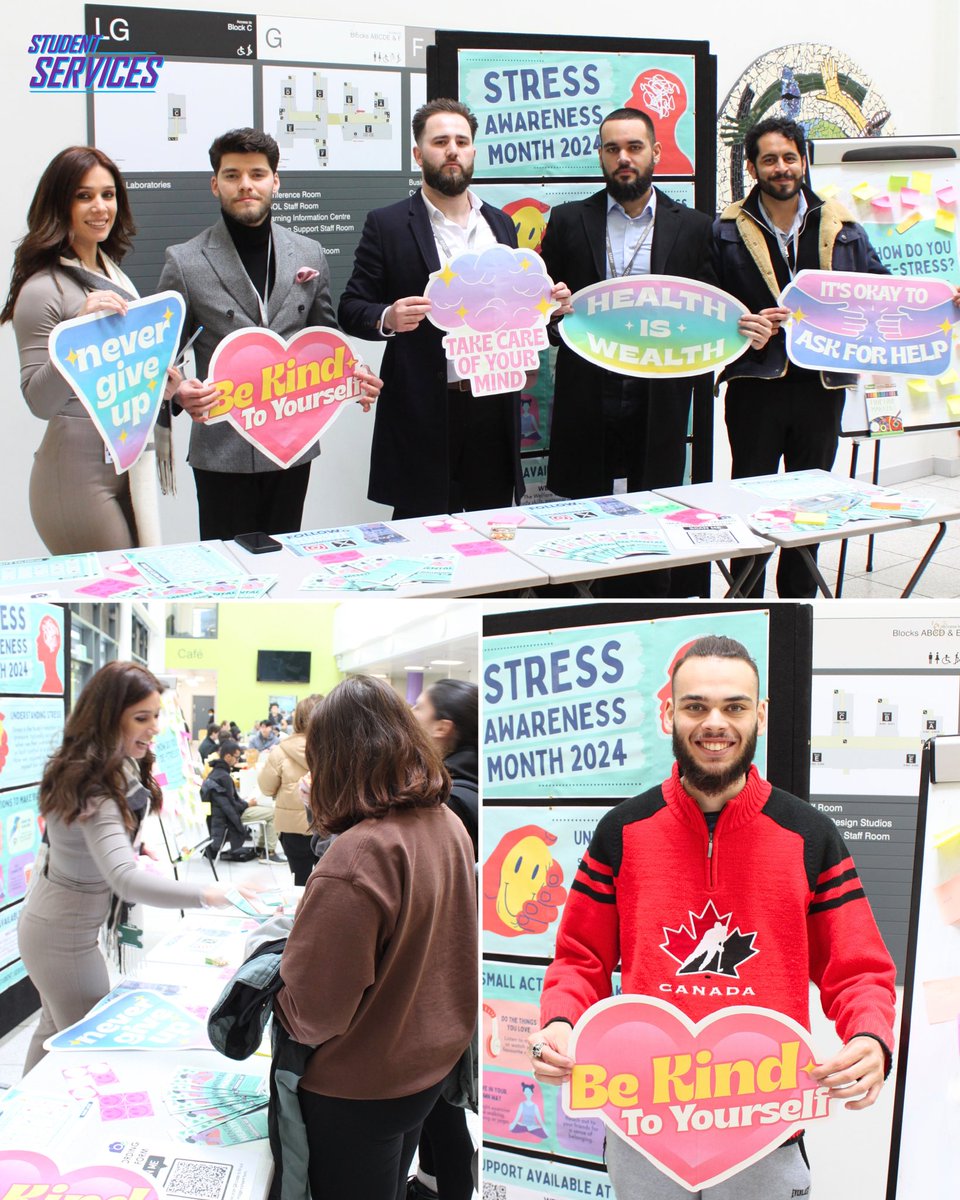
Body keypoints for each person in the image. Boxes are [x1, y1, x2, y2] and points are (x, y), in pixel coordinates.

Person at [527, 635, 896, 1200]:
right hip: (643, 1121)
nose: (715, 723)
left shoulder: (809, 835)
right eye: (696, 706)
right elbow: (581, 959)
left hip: (766, 1123)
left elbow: (859, 970)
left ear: (761, 715)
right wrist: (560, 1021)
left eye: (734, 707)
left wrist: (870, 1036)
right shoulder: (621, 832)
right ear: (669, 711)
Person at [274, 675, 477, 1200]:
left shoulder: (360, 856)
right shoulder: (444, 822)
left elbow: (317, 1010)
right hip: (426, 1066)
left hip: (359, 1085)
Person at [17, 662, 258, 1072]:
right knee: (85, 1057)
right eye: (141, 718)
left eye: (156, 716)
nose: (154, 728)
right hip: (64, 941)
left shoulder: (92, 768)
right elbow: (124, 880)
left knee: (52, 1033)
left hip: (51, 928)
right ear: (109, 718)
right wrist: (208, 894)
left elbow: (84, 841)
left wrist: (131, 843)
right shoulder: (98, 785)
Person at [338, 98, 570, 518]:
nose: (452, 150)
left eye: (462, 141)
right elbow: (351, 306)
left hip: (493, 404)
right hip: (425, 407)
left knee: (493, 529)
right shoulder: (387, 223)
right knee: (421, 532)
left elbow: (513, 306)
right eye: (440, 141)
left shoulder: (500, 223)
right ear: (418, 153)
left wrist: (546, 309)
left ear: (473, 151)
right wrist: (387, 317)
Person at [157, 127, 381, 541]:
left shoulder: (309, 252)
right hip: (221, 449)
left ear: (275, 181)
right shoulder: (185, 261)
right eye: (232, 175)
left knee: (285, 561)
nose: (246, 185)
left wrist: (355, 374)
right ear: (215, 183)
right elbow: (159, 360)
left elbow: (324, 338)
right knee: (228, 572)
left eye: (257, 174)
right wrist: (178, 392)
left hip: (292, 445)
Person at [542, 109, 771, 505]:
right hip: (586, 393)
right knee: (584, 509)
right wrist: (551, 313)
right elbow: (545, 316)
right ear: (600, 155)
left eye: (634, 147)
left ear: (656, 152)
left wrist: (744, 329)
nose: (623, 158)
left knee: (656, 509)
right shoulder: (566, 221)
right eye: (612, 149)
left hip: (661, 393)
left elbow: (711, 308)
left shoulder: (697, 227)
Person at [713, 117, 888, 598]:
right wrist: (740, 323)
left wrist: (941, 303)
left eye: (790, 157)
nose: (781, 168)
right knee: (751, 502)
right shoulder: (725, 229)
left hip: (822, 387)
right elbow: (706, 306)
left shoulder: (842, 224)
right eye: (769, 159)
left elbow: (882, 289)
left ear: (804, 161)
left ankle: (797, 606)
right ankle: (745, 606)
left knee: (811, 507)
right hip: (756, 386)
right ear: (752, 167)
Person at [1, 147, 178, 553]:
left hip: (124, 464)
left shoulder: (111, 272)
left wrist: (166, 384)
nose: (100, 208)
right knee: (124, 585)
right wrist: (77, 332)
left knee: (141, 579)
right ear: (59, 203)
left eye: (108, 194)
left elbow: (121, 373)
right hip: (75, 476)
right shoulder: (43, 289)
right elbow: (38, 401)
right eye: (84, 196)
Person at [408, 679, 479, 1200]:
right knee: (439, 1103)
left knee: (438, 1103)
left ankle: (445, 1187)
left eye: (419, 706)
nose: (409, 712)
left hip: (438, 970)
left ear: (442, 728)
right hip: (451, 967)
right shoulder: (463, 786)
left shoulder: (451, 799)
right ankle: (433, 1185)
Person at [258, 693, 324, 885]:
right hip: (329, 828)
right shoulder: (338, 749)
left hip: (292, 830)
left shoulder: (281, 751)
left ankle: (300, 914)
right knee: (326, 883)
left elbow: (266, 788)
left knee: (300, 883)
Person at [201, 738, 283, 860]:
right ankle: (268, 852)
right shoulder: (224, 777)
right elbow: (231, 807)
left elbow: (228, 802)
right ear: (228, 757)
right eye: (237, 757)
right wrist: (247, 804)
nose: (238, 760)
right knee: (273, 813)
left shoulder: (216, 773)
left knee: (265, 811)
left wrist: (245, 803)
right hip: (231, 817)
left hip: (223, 815)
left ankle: (262, 847)